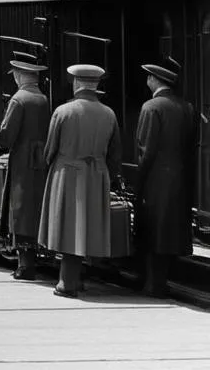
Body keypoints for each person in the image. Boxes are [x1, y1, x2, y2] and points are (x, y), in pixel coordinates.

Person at [39, 63, 122, 299]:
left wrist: (50, 167)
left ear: (76, 83)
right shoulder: (109, 114)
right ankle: (78, 278)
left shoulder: (63, 111)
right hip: (97, 175)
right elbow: (115, 153)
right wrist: (112, 177)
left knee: (68, 229)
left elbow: (50, 149)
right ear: (95, 86)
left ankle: (67, 283)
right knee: (87, 228)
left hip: (67, 174)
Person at [134, 58, 196, 297]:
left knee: (152, 230)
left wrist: (139, 182)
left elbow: (145, 150)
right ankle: (160, 281)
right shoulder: (187, 107)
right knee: (169, 231)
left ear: (153, 79)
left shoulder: (152, 108)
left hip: (156, 181)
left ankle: (152, 284)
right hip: (179, 179)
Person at [0, 51, 50, 280]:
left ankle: (25, 265)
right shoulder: (43, 98)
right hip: (40, 160)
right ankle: (33, 258)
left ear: (20, 75)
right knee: (34, 208)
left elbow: (7, 135)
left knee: (20, 209)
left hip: (22, 161)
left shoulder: (19, 99)